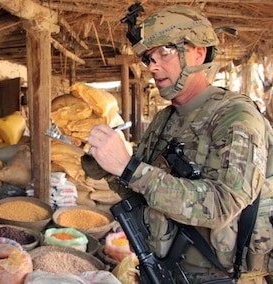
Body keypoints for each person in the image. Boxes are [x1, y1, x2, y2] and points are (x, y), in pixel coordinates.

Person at [83, 4, 273, 283]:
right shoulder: (164, 120)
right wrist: (106, 165)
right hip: (165, 270)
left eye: (165, 52)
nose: (153, 66)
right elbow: (139, 190)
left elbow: (224, 205)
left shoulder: (236, 117)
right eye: (148, 58)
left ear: (198, 52)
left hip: (221, 278)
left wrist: (129, 168)